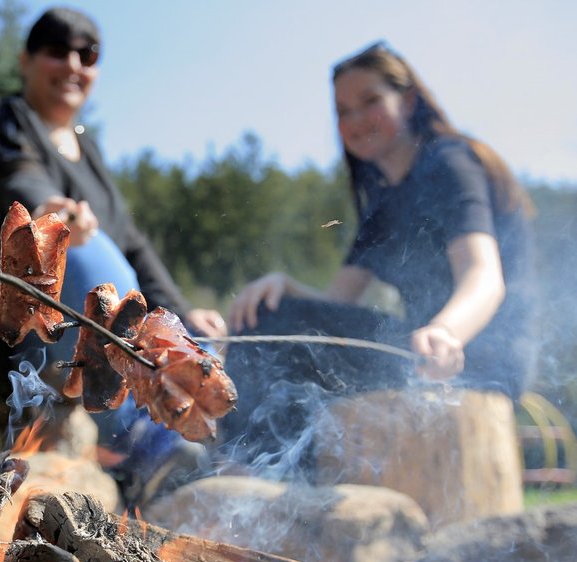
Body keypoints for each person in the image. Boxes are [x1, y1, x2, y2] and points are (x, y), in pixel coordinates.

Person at [0, 7, 226, 499]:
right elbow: (18, 181)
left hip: (54, 316)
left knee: (194, 332)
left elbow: (133, 242)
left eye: (87, 54)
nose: (73, 64)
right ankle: (128, 438)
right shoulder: (6, 121)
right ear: (26, 60)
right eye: (57, 50)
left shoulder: (87, 150)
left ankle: (204, 444)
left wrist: (182, 313)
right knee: (83, 261)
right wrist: (49, 211)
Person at [221, 41, 537, 477]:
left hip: (477, 356)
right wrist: (283, 287)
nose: (354, 120)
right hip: (419, 353)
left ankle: (249, 474)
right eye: (342, 110)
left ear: (407, 101)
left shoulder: (448, 162)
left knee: (276, 326)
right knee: (269, 315)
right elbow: (333, 310)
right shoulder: (382, 208)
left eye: (370, 101)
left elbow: (484, 276)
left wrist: (447, 332)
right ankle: (275, 476)